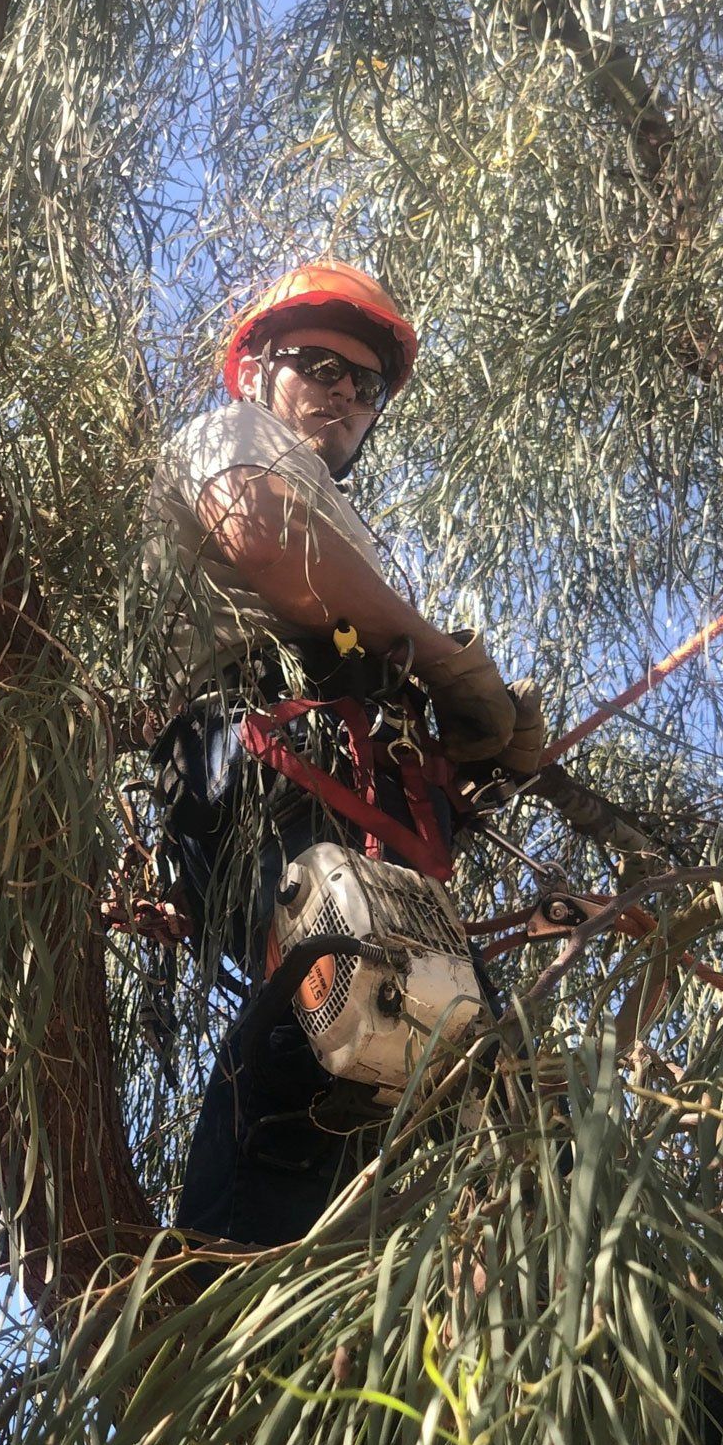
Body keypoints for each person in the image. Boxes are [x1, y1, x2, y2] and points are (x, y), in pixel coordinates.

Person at [145, 261, 544, 1249]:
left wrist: (468, 751)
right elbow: (258, 535)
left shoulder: (351, 534)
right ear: (256, 374)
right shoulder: (233, 435)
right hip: (253, 760)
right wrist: (449, 662)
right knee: (337, 984)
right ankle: (232, 1291)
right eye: (318, 366)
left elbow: (362, 652)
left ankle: (427, 1305)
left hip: (355, 798)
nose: (342, 394)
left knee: (445, 1052)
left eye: (363, 385)